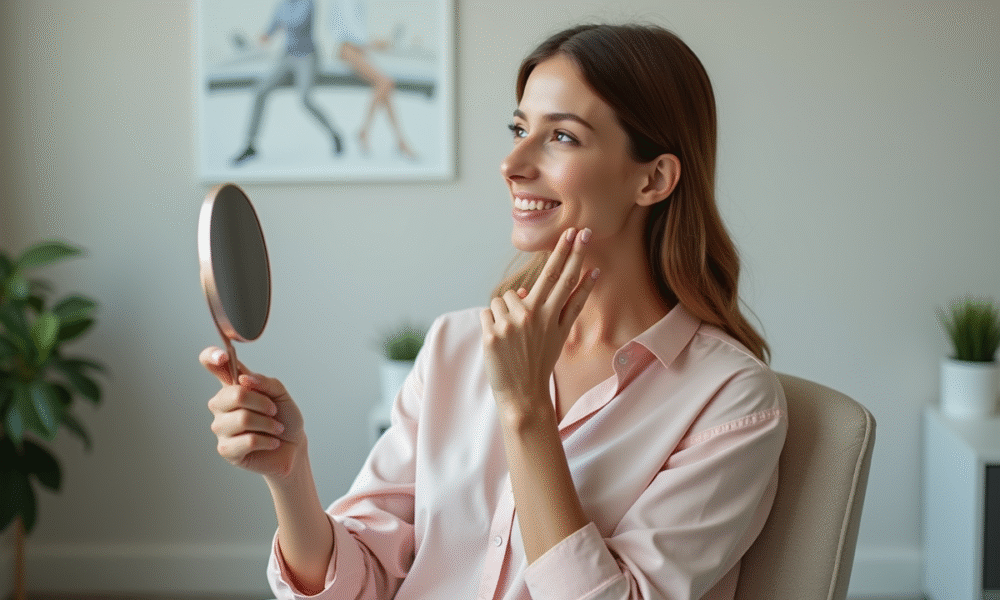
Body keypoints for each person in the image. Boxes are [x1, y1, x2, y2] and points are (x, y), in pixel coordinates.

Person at [202, 23, 787, 600]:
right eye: (519, 128)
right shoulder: (456, 344)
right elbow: (361, 581)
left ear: (654, 178)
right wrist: (290, 475)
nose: (512, 164)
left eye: (561, 137)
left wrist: (526, 408)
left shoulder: (730, 398)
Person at [232, 0, 343, 166]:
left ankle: (334, 134)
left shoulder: (308, 3)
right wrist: (263, 37)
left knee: (305, 99)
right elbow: (271, 27)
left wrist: (280, 25)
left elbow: (298, 23)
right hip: (287, 55)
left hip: (307, 56)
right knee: (260, 92)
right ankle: (250, 144)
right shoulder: (281, 5)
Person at [329, 0, 417, 159]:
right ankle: (365, 130)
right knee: (386, 82)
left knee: (385, 88)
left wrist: (372, 44)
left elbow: (354, 31)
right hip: (348, 50)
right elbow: (350, 33)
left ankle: (400, 140)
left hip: (356, 49)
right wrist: (375, 43)